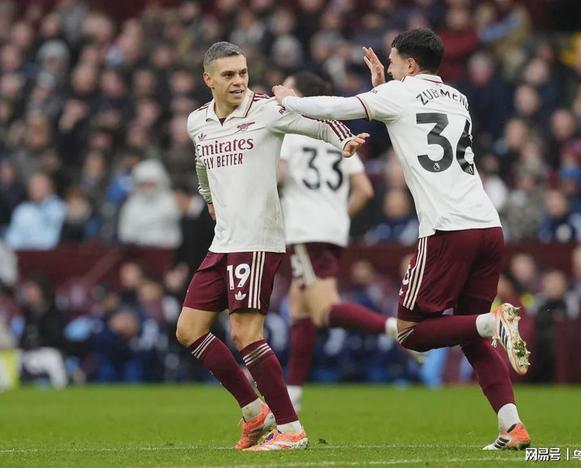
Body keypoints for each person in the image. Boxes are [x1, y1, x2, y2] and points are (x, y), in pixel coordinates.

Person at [273, 28, 531, 450]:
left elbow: (339, 107)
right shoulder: (458, 98)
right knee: (469, 335)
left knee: (411, 333)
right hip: (488, 225)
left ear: (410, 64)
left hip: (447, 229)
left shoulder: (400, 93)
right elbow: (411, 114)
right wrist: (383, 87)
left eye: (392, 62)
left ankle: (493, 321)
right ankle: (512, 426)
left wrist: (290, 100)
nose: (387, 68)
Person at [175, 42, 367, 452]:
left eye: (243, 73)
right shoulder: (197, 121)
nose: (239, 81)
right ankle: (254, 412)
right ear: (208, 79)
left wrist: (344, 141)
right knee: (189, 330)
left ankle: (291, 428)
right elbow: (201, 162)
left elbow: (315, 123)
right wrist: (208, 198)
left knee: (246, 333)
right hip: (224, 239)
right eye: (229, 75)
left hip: (258, 239)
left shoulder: (265, 110)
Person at [278, 71, 403, 412]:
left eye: (287, 86)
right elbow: (364, 190)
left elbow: (279, 175)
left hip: (305, 229)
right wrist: (337, 215)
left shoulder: (292, 130)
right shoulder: (337, 132)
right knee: (299, 307)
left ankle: (396, 329)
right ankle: (293, 394)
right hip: (331, 229)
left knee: (323, 309)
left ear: (298, 95)